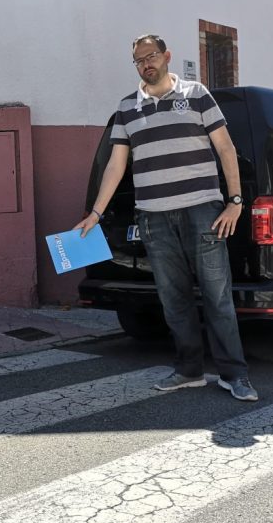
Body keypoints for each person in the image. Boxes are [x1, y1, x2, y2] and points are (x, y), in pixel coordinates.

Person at [75, 34, 258, 402]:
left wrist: (235, 201)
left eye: (152, 56)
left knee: (217, 297)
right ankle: (189, 370)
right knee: (173, 300)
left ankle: (234, 375)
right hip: (153, 218)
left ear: (167, 56)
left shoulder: (197, 94)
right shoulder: (128, 107)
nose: (147, 63)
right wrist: (95, 212)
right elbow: (116, 164)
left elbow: (225, 147)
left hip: (202, 211)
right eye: (140, 60)